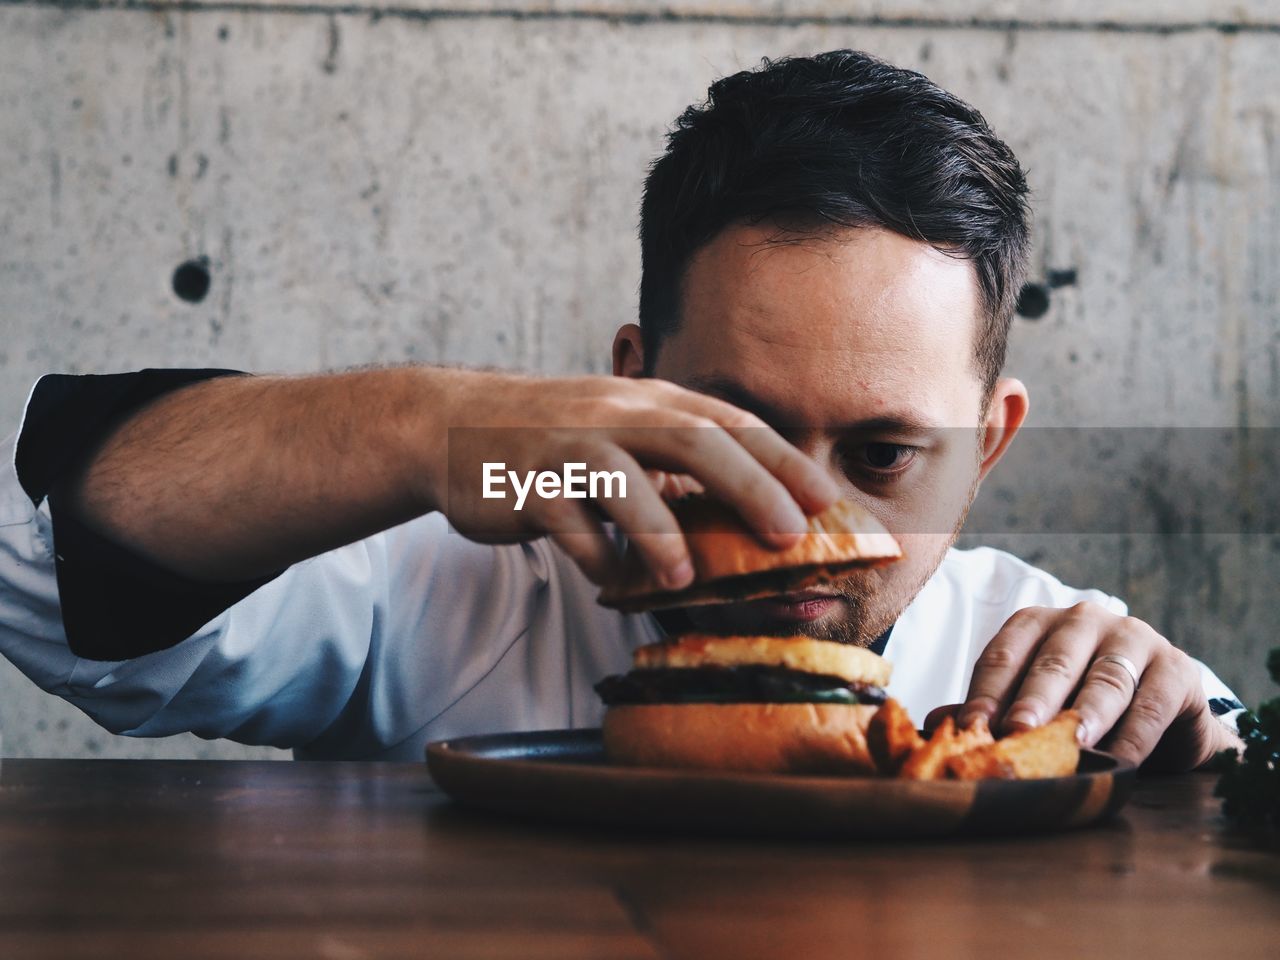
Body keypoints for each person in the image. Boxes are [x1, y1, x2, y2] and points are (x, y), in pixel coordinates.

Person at [0, 50, 1242, 765]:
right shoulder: (450, 583)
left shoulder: (1037, 658)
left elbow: (1237, 779)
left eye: (878, 454)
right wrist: (423, 429)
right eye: (732, 433)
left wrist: (1196, 742)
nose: (791, 515)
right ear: (631, 382)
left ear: (986, 445)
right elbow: (48, 593)